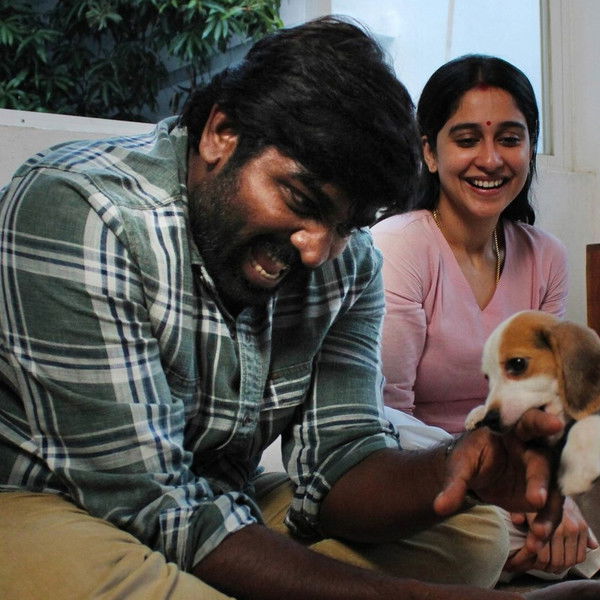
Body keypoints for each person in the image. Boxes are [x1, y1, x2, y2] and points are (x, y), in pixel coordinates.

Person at [0, 18, 597, 600]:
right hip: (51, 502)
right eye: (299, 198)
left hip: (220, 497)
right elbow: (153, 504)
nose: (317, 250)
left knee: (473, 537)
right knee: (143, 577)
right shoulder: (80, 210)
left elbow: (342, 461)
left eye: (347, 224)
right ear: (220, 133)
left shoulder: (349, 259)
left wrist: (458, 463)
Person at [372, 54, 600, 581]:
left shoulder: (545, 256)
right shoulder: (397, 248)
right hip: (419, 473)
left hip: (519, 476)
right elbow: (384, 415)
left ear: (530, 148)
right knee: (493, 541)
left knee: (572, 531)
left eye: (510, 139)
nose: (491, 159)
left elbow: (550, 406)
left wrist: (548, 493)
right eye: (467, 139)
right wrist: (499, 485)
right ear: (430, 152)